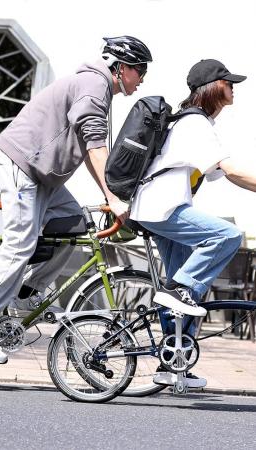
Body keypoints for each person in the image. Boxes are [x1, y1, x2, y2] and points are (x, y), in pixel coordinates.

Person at [0, 35, 153, 364]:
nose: (142, 78)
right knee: (20, 242)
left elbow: (91, 151)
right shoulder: (94, 84)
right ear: (122, 67)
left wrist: (111, 194)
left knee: (73, 227)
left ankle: (24, 294)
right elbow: (96, 146)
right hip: (23, 163)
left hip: (44, 174)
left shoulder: (98, 86)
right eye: (140, 70)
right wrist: (114, 199)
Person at [130, 58, 256, 388]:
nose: (233, 89)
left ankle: (172, 362)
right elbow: (233, 172)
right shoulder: (194, 125)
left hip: (160, 208)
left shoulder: (196, 125)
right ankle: (176, 289)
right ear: (214, 89)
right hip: (163, 208)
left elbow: (223, 175)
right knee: (227, 236)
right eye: (229, 84)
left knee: (188, 290)